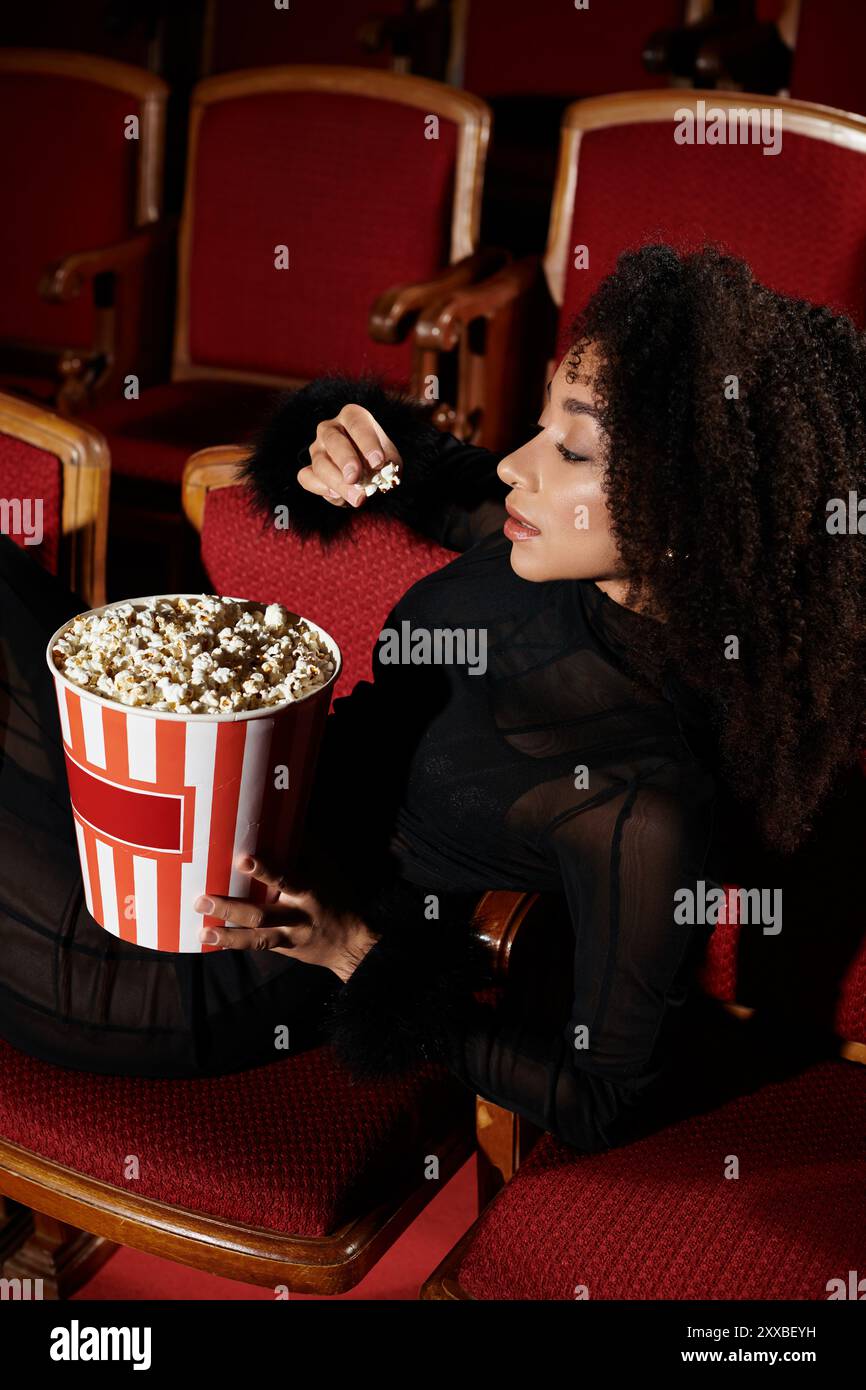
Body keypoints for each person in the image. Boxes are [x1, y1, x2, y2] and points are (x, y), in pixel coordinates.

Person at [1, 244, 863, 1153]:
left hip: (211, 956)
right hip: (191, 807)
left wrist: (350, 955)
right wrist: (335, 441)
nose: (514, 467)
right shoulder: (532, 534)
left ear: (693, 513)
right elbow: (399, 460)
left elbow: (601, 1100)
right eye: (539, 427)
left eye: (570, 448)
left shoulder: (645, 802)